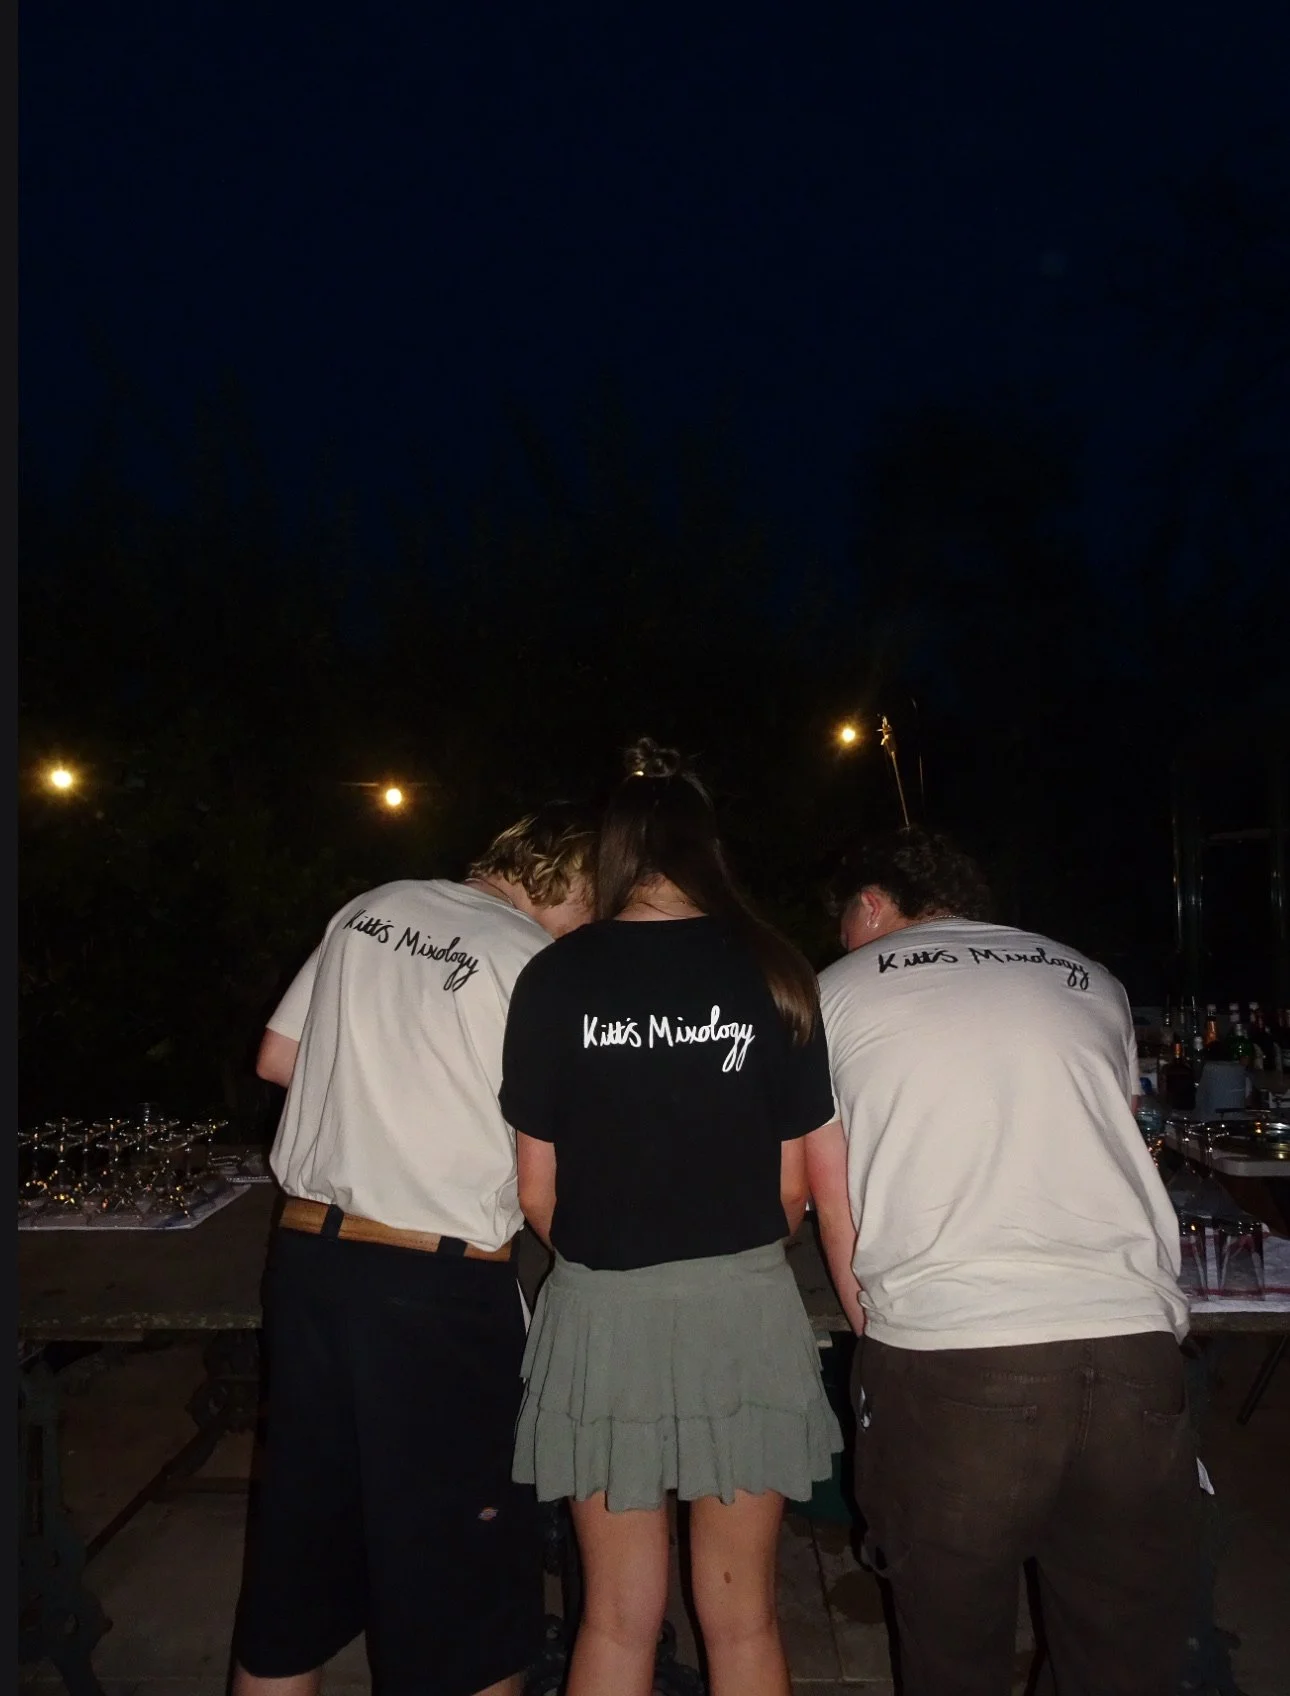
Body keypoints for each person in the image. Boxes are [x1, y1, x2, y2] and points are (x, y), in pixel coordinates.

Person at [806, 826, 1196, 1696]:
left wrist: (881, 1342)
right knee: (1124, 1660)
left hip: (954, 1360)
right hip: (1134, 1348)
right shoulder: (1091, 979)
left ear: (873, 904)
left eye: (845, 916)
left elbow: (832, 1200)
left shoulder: (830, 994)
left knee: (952, 1656)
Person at [499, 740, 842, 1696]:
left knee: (612, 1622)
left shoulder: (556, 978)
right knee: (744, 1621)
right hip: (741, 1309)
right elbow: (793, 1190)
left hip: (603, 1314)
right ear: (708, 845)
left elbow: (536, 1191)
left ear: (612, 852)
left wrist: (622, 1251)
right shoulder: (775, 970)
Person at [231, 803, 596, 1696]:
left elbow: (278, 1059)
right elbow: (571, 1143)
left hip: (310, 1268)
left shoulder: (373, 906)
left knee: (296, 1562)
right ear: (573, 882)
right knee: (461, 1591)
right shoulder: (539, 965)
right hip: (433, 1295)